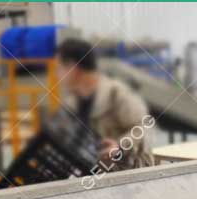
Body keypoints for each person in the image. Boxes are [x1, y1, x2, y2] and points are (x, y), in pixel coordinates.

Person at [56, 38, 154, 171]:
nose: (57, 74)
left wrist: (120, 146)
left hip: (128, 175)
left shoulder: (116, 94)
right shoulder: (71, 103)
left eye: (59, 68)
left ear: (73, 67)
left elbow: (145, 128)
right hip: (93, 175)